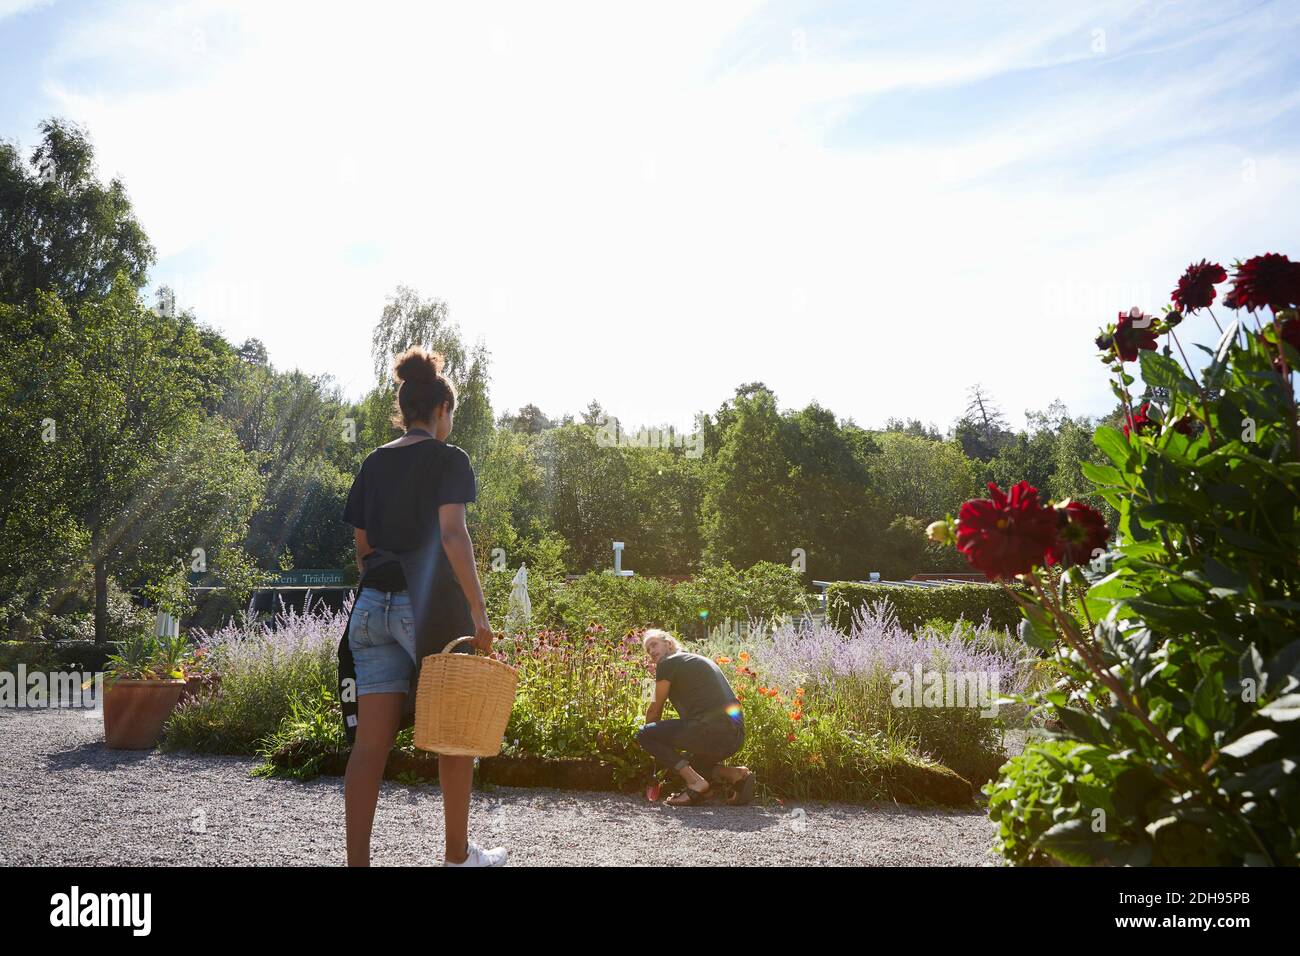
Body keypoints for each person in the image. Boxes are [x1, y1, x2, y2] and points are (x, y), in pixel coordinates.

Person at [340, 345, 505, 867]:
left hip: (369, 608)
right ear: (440, 411)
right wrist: (479, 614)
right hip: (426, 606)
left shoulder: (374, 461)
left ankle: (358, 865)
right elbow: (453, 536)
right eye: (450, 413)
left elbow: (363, 548)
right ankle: (458, 857)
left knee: (370, 747)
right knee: (455, 737)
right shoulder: (448, 459)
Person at [637, 629, 756, 806]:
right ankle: (735, 775)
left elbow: (654, 710)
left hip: (710, 730)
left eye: (654, 644)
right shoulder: (693, 660)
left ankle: (695, 783)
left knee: (645, 734)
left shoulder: (668, 663)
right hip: (734, 736)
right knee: (687, 763)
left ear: (668, 644)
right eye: (648, 650)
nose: (651, 651)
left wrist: (649, 740)